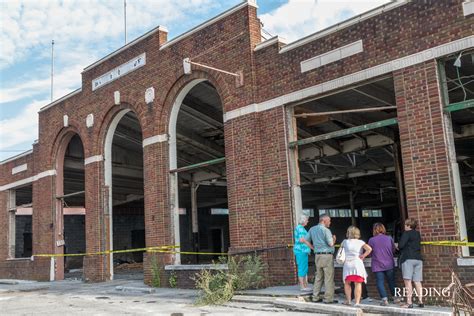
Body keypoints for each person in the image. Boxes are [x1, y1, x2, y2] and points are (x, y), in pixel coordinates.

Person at [301, 214, 337, 304]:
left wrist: (314, 248)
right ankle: (328, 299)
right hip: (327, 256)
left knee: (318, 277)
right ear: (324, 221)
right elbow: (330, 244)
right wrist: (334, 239)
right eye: (329, 221)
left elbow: (305, 240)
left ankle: (315, 297)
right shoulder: (326, 230)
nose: (330, 222)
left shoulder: (312, 229)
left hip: (317, 256)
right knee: (328, 278)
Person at [368, 222, 399, 306]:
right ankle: (395, 298)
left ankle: (384, 300)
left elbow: (369, 252)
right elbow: (393, 250)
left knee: (380, 282)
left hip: (377, 264)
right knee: (391, 281)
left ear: (374, 230)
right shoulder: (389, 238)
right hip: (389, 263)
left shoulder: (371, 240)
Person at [341, 226, 372, 306]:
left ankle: (348, 301)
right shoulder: (360, 242)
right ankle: (357, 302)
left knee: (347, 283)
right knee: (357, 283)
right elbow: (369, 249)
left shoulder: (345, 242)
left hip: (348, 264)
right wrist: (363, 255)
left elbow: (341, 251)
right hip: (357, 264)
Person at [398, 218, 424, 308]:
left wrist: (396, 246)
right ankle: (421, 301)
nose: (404, 226)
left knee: (408, 281)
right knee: (417, 281)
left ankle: (409, 303)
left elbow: (401, 245)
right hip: (418, 259)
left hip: (408, 258)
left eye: (405, 224)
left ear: (409, 226)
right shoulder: (417, 234)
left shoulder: (406, 233)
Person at [293, 214, 313, 291]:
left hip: (302, 251)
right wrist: (311, 247)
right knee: (302, 268)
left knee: (304, 268)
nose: (308, 221)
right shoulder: (300, 228)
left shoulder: (300, 228)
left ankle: (304, 285)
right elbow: (302, 240)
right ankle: (302, 286)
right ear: (304, 221)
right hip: (301, 251)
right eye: (307, 220)